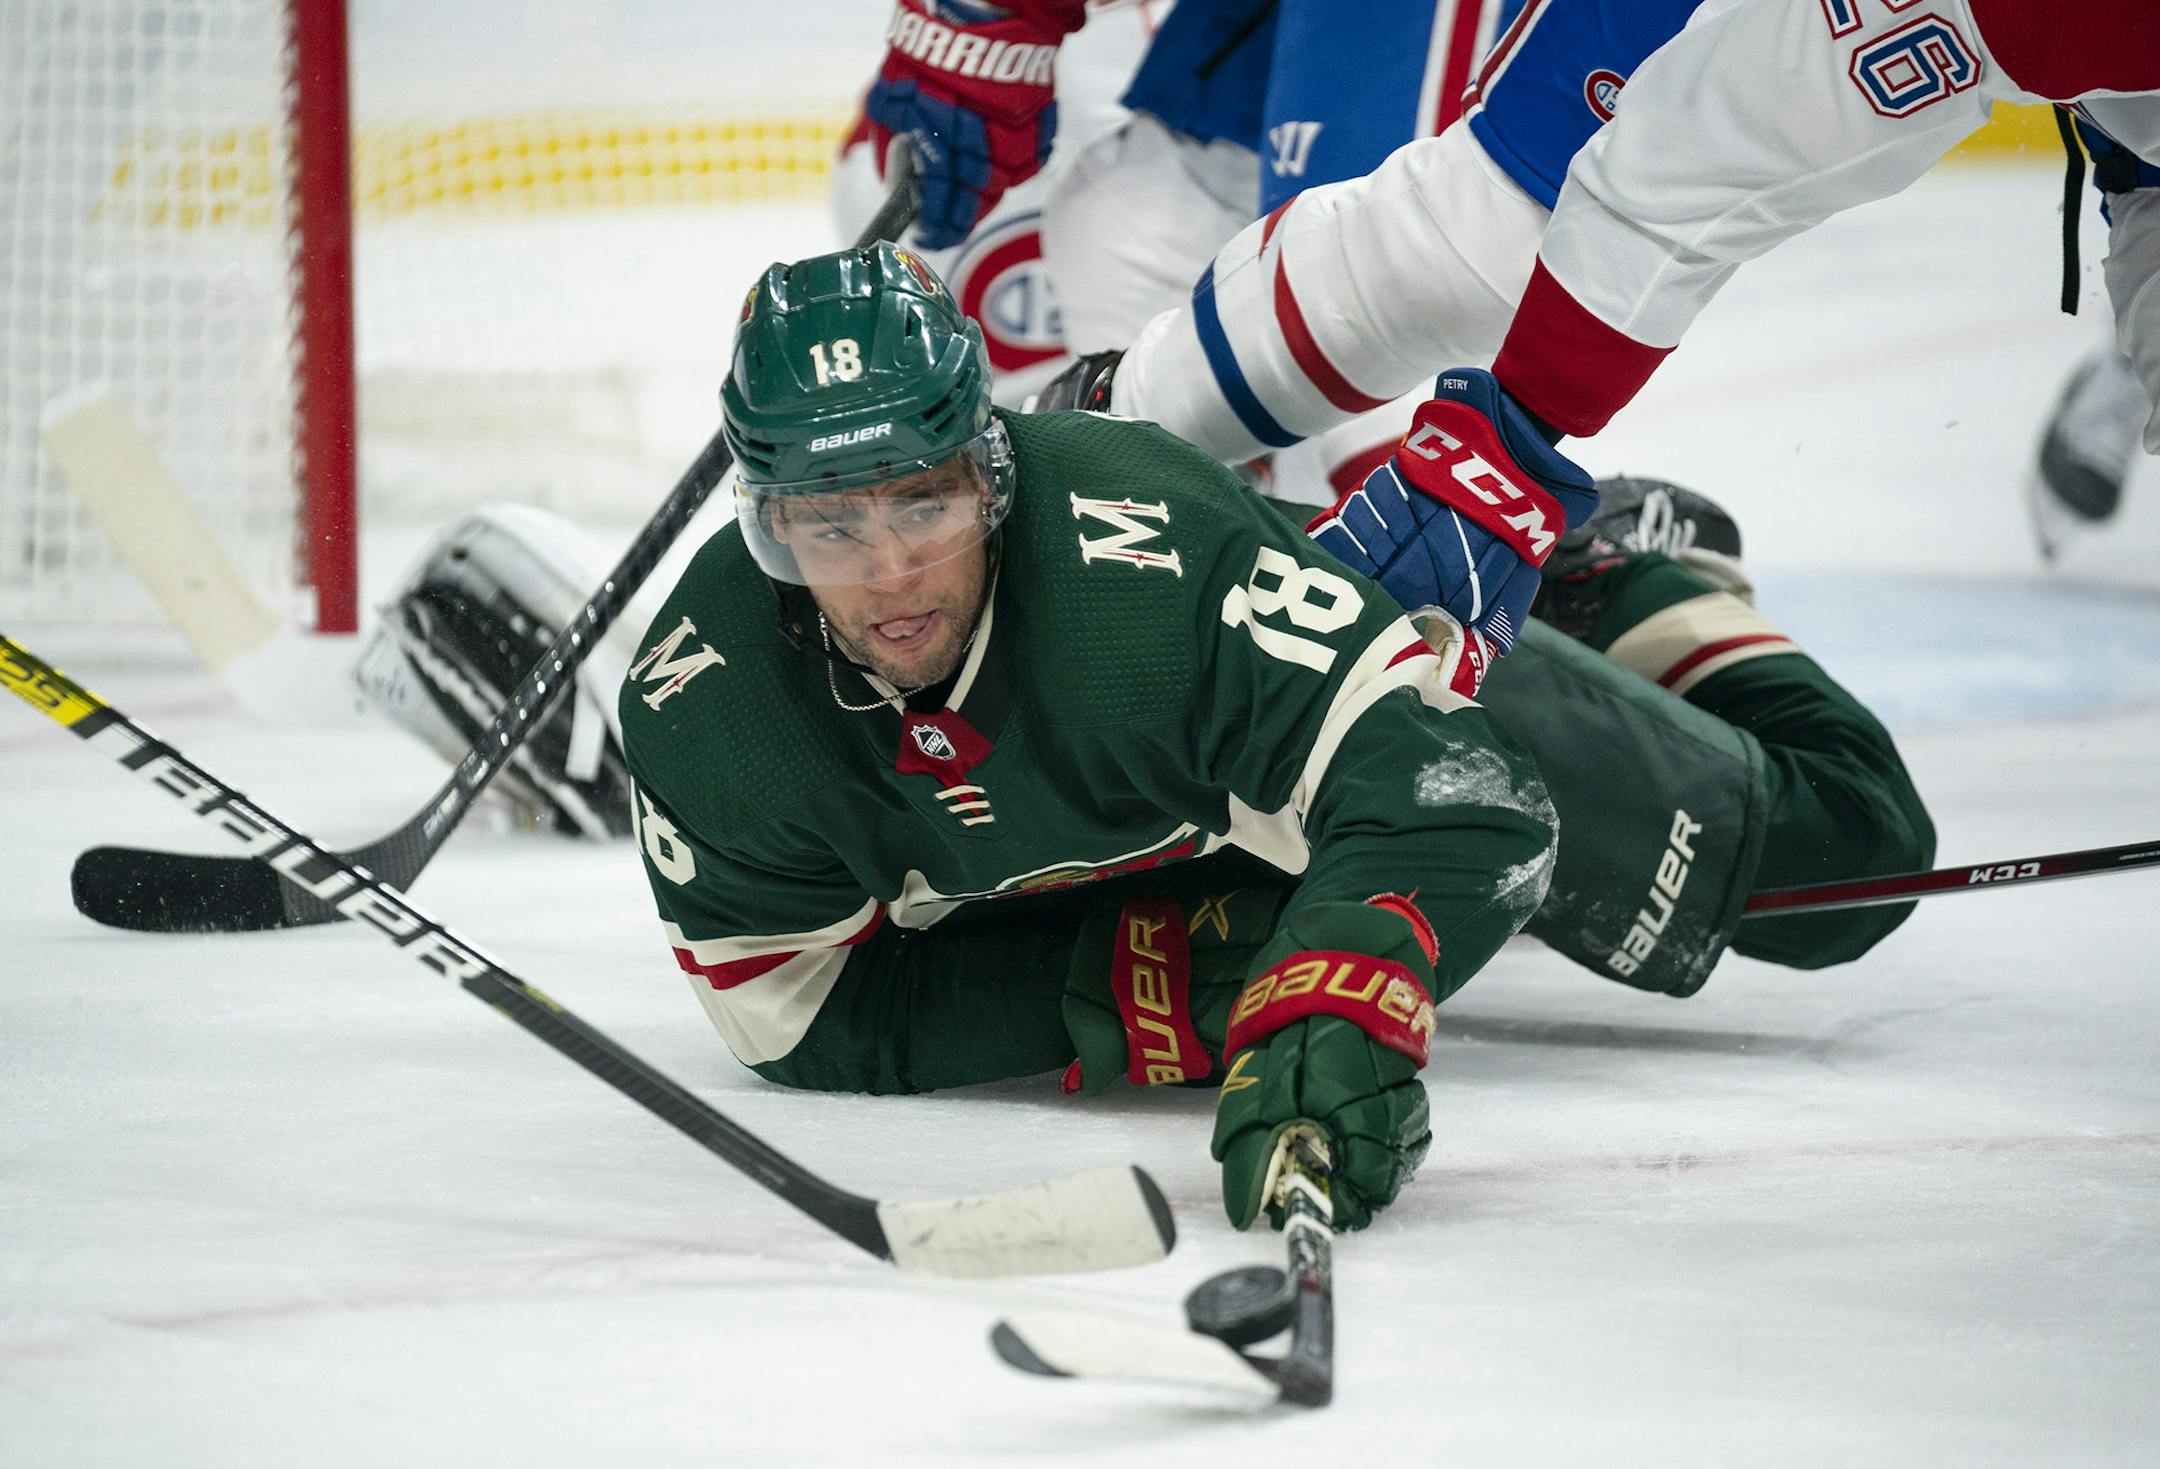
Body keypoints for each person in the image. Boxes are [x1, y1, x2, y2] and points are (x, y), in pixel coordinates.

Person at [613, 242, 1933, 1233]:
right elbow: (800, 1013)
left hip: (1321, 702)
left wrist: (1330, 990)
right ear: (769, 529)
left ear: (990, 475)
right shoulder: (706, 703)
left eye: (924, 507)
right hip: (1178, 830)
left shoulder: (1147, 559)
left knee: (1849, 865)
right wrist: (1170, 994)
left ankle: (1618, 586)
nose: (892, 575)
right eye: (833, 526)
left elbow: (1458, 801)